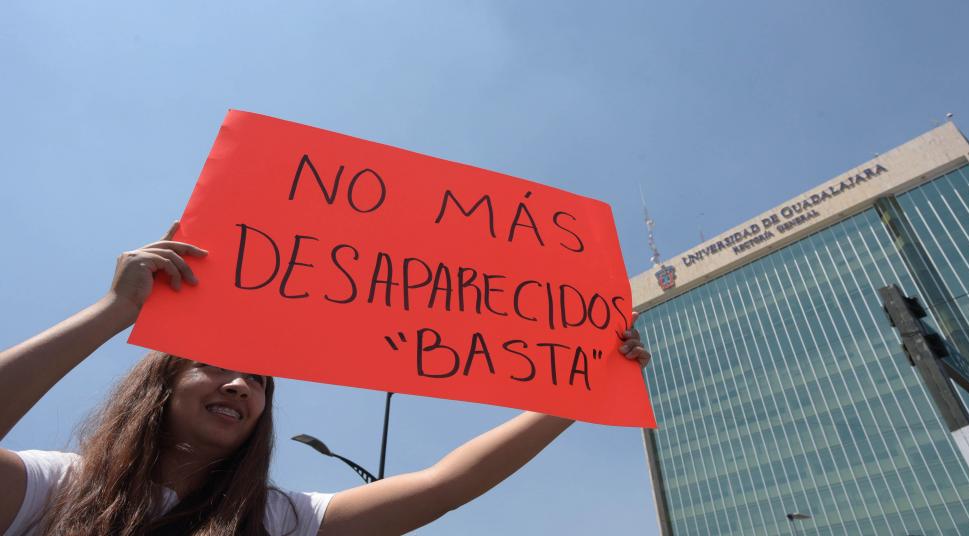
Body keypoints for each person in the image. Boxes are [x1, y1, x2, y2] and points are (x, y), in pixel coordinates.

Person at [0, 223, 651, 536]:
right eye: (216, 367)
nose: (240, 386)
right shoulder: (61, 487)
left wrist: (580, 393)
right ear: (159, 388)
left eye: (259, 381)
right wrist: (113, 312)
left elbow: (446, 485)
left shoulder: (279, 518)